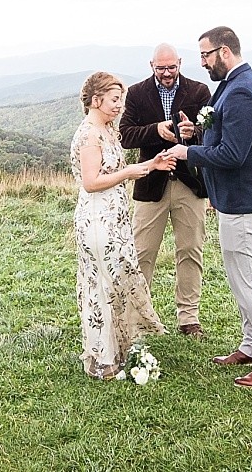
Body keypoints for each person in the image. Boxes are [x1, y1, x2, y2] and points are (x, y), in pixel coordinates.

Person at [167, 26, 252, 390]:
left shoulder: (244, 91)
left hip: (245, 200)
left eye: (205, 55)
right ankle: (251, 346)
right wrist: (197, 134)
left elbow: (234, 155)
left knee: (249, 281)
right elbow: (225, 136)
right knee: (240, 280)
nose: (202, 63)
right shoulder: (233, 85)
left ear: (224, 51)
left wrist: (186, 152)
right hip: (232, 201)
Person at [72, 71, 175, 379]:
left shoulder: (107, 129)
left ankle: (116, 348)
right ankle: (102, 358)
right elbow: (92, 182)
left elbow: (121, 168)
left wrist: (150, 165)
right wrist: (130, 172)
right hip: (96, 219)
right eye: (115, 100)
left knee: (116, 280)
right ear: (96, 100)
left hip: (116, 217)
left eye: (121, 100)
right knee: (102, 283)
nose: (119, 106)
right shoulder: (89, 134)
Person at [120, 44, 213, 338]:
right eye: (161, 68)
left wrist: (193, 133)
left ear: (180, 63)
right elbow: (124, 135)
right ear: (151, 66)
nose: (167, 73)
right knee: (142, 253)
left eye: (171, 67)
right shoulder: (135, 94)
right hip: (150, 185)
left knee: (190, 250)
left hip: (190, 184)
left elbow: (213, 134)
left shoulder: (199, 92)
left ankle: (189, 319)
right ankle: (138, 320)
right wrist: (155, 130)